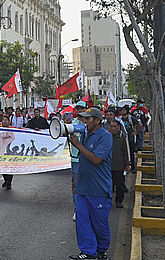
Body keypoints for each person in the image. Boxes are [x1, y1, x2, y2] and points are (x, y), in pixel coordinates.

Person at [67, 107, 113, 260]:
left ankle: (101, 250)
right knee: (82, 221)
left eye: (88, 119)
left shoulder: (105, 137)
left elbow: (96, 160)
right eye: (83, 119)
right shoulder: (87, 135)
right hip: (83, 187)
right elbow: (84, 160)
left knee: (99, 222)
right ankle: (88, 252)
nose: (84, 122)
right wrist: (76, 178)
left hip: (99, 188)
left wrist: (78, 145)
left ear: (97, 120)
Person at [107, 110, 131, 208]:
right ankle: (107, 201)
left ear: (119, 127)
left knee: (120, 185)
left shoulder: (123, 137)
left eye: (115, 126)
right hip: (107, 166)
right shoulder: (106, 136)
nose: (113, 128)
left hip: (119, 166)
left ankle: (119, 201)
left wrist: (128, 164)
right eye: (111, 126)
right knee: (108, 185)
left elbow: (127, 151)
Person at [119, 106, 140, 170]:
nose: (122, 111)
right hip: (122, 139)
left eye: (124, 110)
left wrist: (136, 132)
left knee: (131, 153)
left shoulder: (131, 118)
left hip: (130, 138)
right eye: (122, 110)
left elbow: (140, 124)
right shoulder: (120, 119)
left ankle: (132, 167)